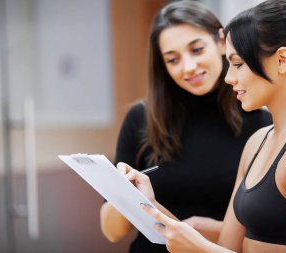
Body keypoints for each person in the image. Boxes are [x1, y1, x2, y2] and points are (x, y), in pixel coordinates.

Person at [119, 0, 286, 252]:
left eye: (237, 64)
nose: (228, 77)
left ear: (282, 60)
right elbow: (228, 246)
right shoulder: (258, 142)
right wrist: (149, 204)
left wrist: (201, 250)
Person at [100, 1, 272, 252]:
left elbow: (274, 233)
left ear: (221, 41)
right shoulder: (141, 119)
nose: (188, 67)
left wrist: (218, 231)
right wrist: (123, 193)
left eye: (197, 49)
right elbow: (112, 232)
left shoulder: (261, 123)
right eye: (173, 59)